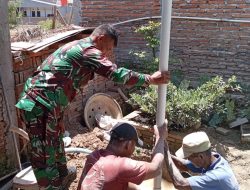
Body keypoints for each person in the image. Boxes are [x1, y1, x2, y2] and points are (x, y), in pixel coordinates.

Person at [15, 24, 170, 190]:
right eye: (107, 48)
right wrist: (149, 79)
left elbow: (58, 85)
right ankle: (49, 187)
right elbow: (115, 73)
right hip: (40, 106)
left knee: (55, 144)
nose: (106, 53)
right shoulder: (87, 50)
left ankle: (61, 177)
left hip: (49, 106)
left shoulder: (79, 47)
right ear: (100, 38)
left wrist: (59, 118)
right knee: (44, 154)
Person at [78, 121, 168, 190]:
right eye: (134, 145)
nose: (133, 151)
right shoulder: (121, 165)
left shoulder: (94, 155)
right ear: (128, 144)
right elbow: (156, 168)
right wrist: (160, 138)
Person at [164, 131, 239, 190]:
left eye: (189, 157)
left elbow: (180, 184)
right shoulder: (211, 158)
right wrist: (166, 154)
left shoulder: (216, 177)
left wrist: (166, 155)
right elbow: (184, 165)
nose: (187, 159)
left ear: (200, 156)